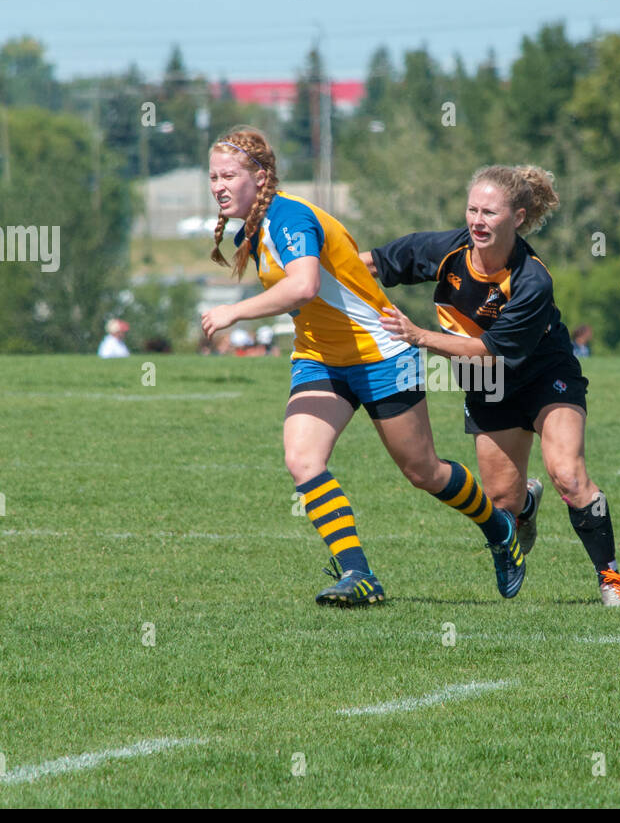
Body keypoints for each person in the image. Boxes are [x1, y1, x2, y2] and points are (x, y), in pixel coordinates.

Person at [198, 127, 525, 606]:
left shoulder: (288, 216)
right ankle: (358, 574)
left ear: (260, 176)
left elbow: (305, 285)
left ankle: (500, 528)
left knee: (424, 471)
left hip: (382, 353)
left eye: (229, 175)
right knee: (303, 459)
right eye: (213, 177)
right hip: (319, 357)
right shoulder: (258, 224)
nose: (218, 186)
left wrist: (234, 311)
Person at [366, 165, 620, 607]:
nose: (477, 220)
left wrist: (418, 335)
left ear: (519, 218)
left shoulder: (532, 279)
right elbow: (375, 262)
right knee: (502, 504)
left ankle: (611, 578)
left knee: (568, 474)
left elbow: (491, 349)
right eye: (472, 209)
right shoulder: (447, 250)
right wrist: (317, 271)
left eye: (489, 212)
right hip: (485, 384)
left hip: (545, 376)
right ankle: (526, 505)